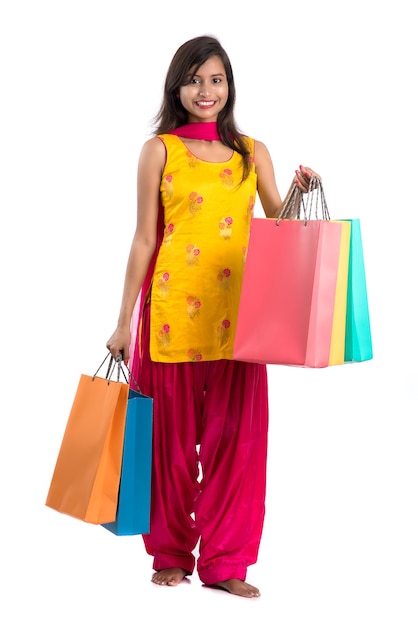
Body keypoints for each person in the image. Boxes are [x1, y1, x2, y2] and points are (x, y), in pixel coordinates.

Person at [106, 34, 320, 598]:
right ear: (177, 86)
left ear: (230, 86)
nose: (206, 91)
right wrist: (123, 320)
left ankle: (225, 564)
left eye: (216, 79)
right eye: (195, 79)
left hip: (240, 322)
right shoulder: (160, 150)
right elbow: (144, 238)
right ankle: (171, 554)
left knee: (237, 445)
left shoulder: (253, 152)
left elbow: (280, 227)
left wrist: (300, 193)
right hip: (172, 318)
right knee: (169, 448)